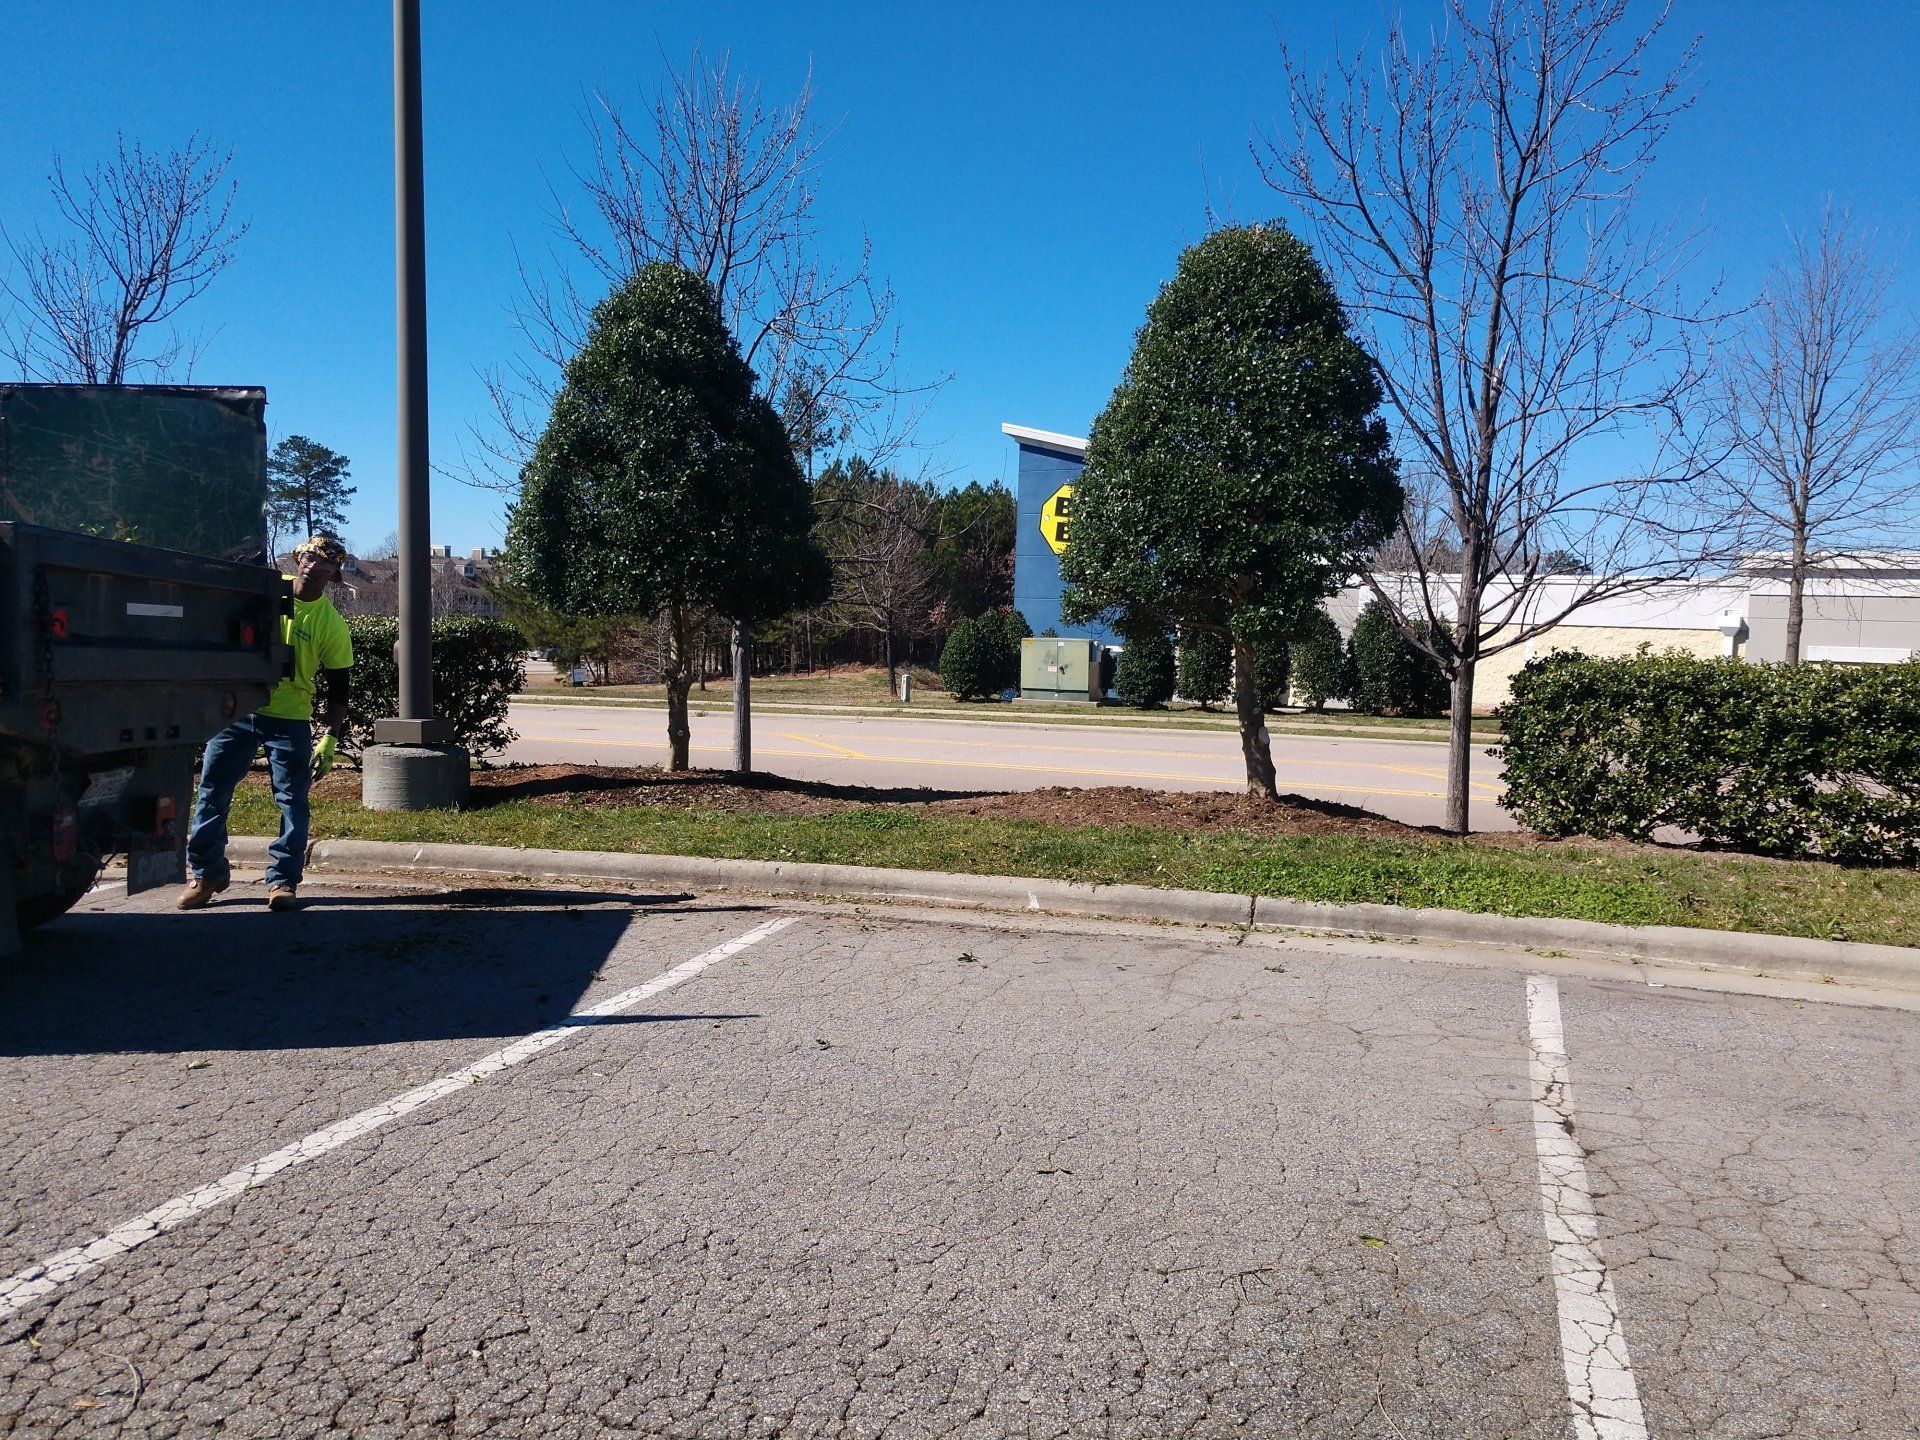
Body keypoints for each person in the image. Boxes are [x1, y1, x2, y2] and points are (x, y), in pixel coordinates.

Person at [177, 534, 354, 912]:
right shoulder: (264, 594)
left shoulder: (331, 624)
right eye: (307, 557)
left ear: (332, 574)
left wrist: (330, 738)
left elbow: (340, 687)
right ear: (297, 559)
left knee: (292, 801)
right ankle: (207, 874)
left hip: (289, 719)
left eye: (322, 563)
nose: (312, 565)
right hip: (237, 711)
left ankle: (283, 882)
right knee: (211, 790)